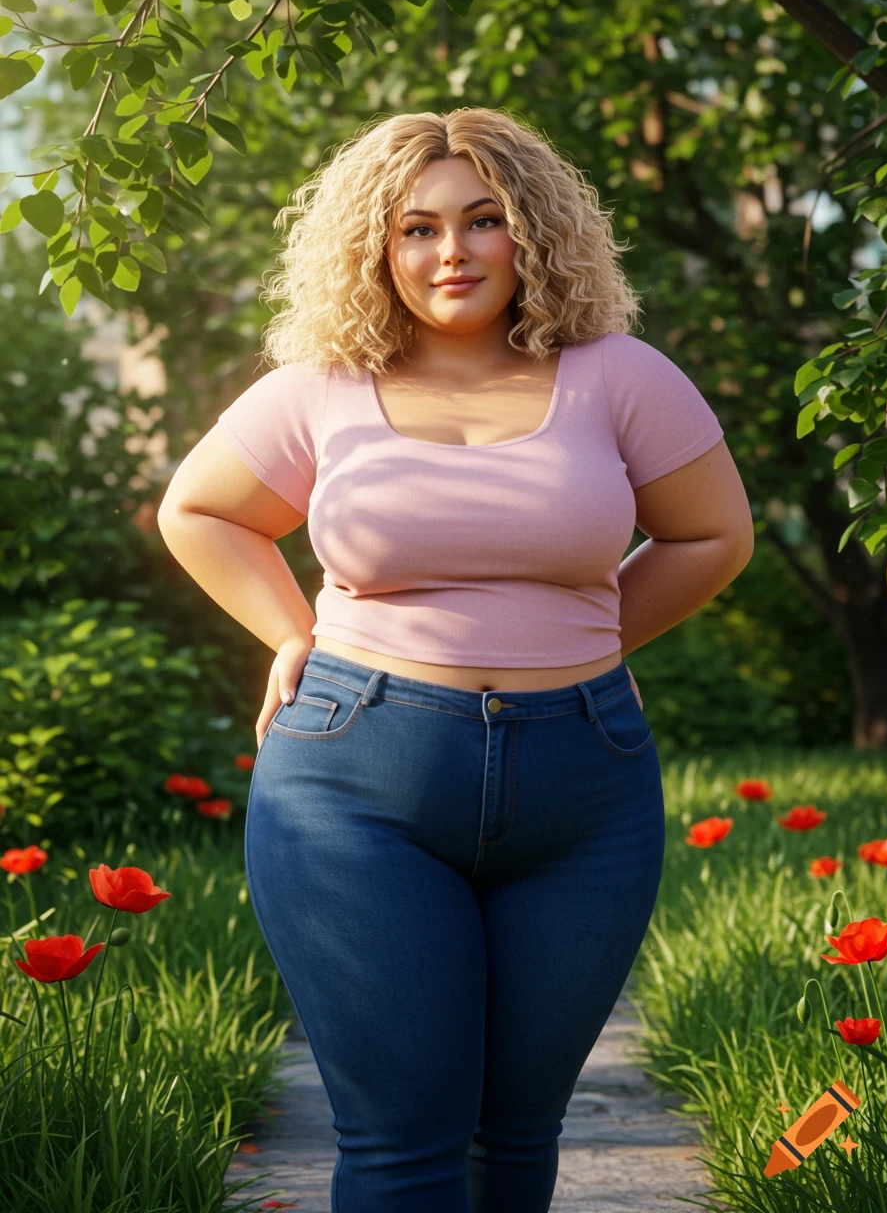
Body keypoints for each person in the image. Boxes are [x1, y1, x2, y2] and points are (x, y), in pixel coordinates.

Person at [157, 107, 754, 1213]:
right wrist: (292, 633)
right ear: (376, 248)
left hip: (583, 786)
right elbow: (199, 511)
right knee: (402, 1142)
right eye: (417, 228)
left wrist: (590, 639)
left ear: (533, 230)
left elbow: (713, 535)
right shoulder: (322, 386)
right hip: (355, 780)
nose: (452, 252)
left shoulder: (619, 375)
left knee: (516, 1134)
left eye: (484, 219)